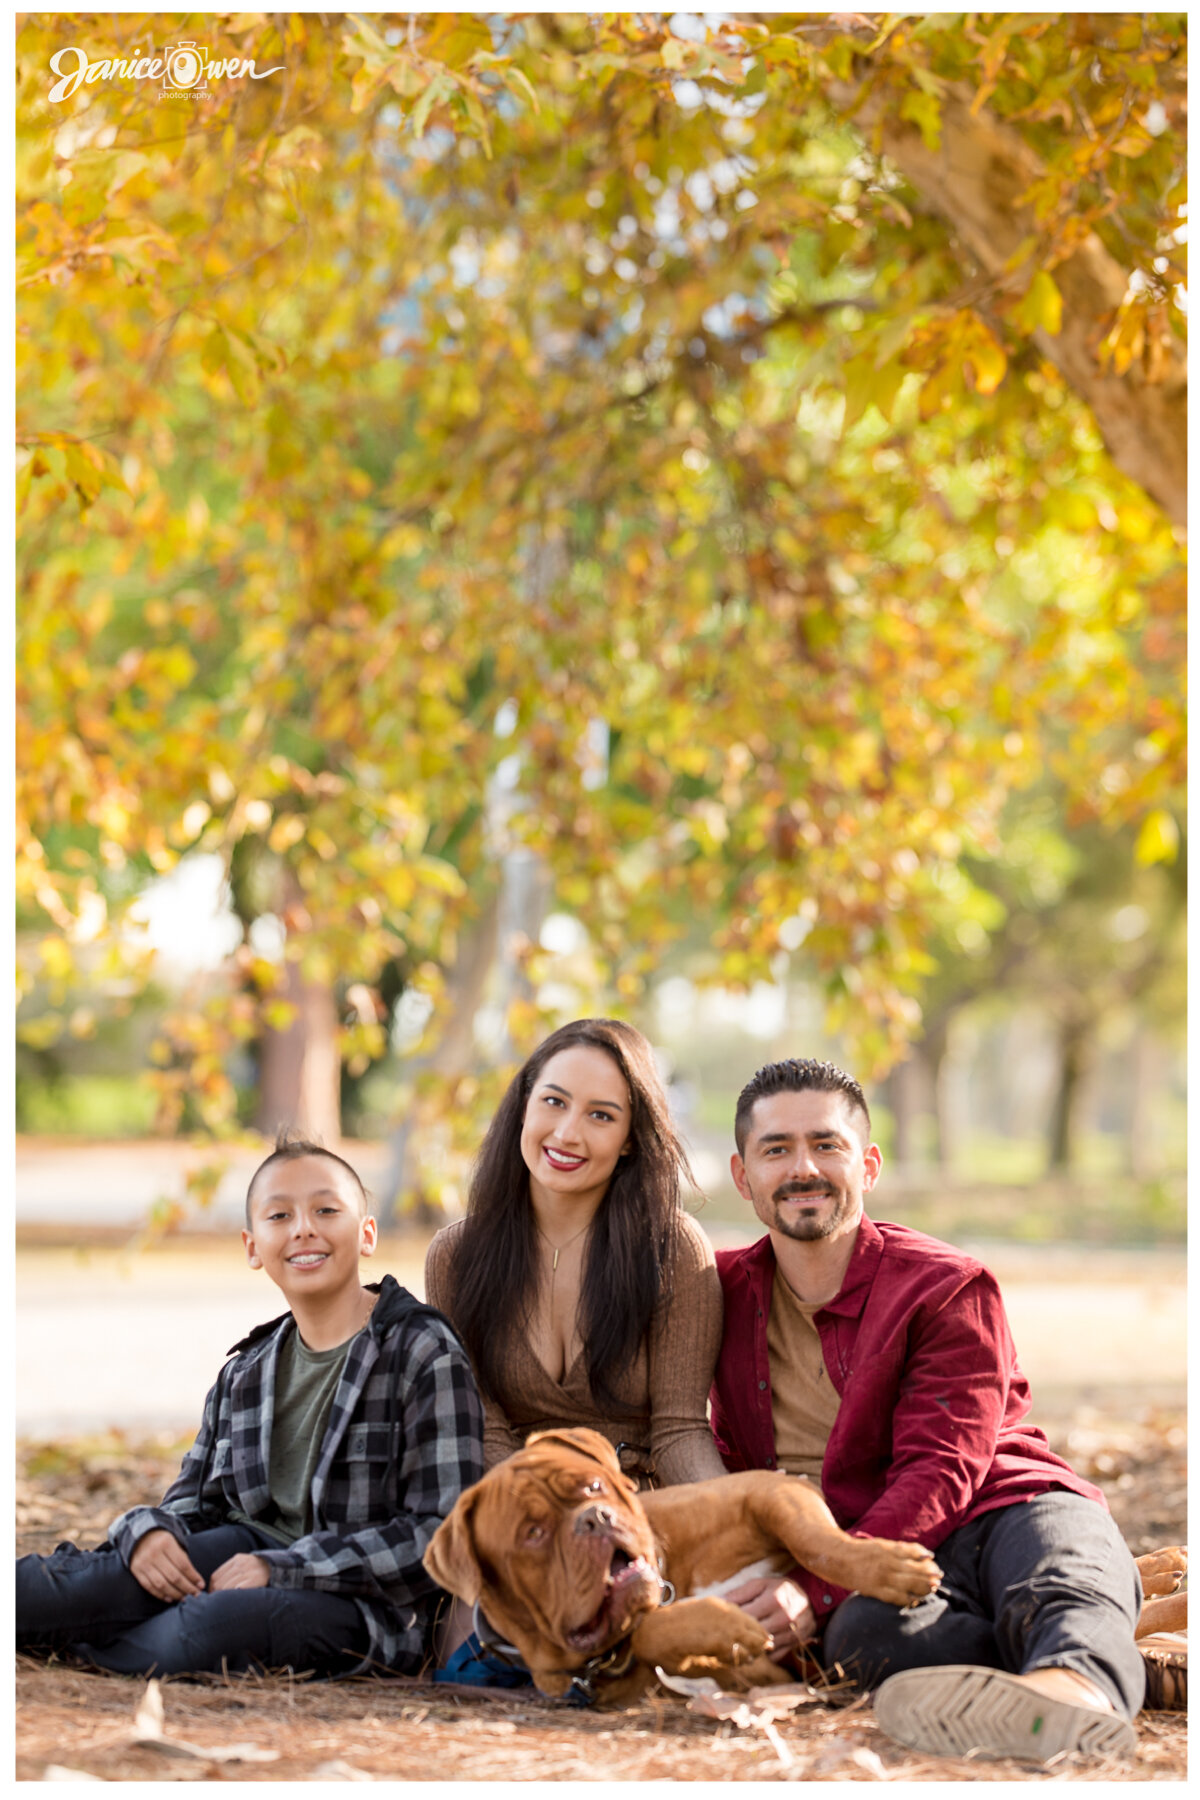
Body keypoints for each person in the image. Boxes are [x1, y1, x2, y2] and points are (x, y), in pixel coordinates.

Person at [709, 1057, 1145, 1765]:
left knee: (1058, 1579)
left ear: (869, 1165)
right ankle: (1061, 1670)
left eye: (827, 1145)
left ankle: (1075, 1693)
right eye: (777, 1149)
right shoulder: (719, 1293)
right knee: (863, 1642)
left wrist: (810, 1587)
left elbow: (943, 1471)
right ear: (742, 1175)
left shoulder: (945, 1287)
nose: (803, 1168)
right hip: (874, 1557)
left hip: (1000, 1506)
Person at [17, 1133, 483, 1680]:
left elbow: (442, 1535)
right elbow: (192, 1505)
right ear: (252, 1247)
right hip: (241, 1555)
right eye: (279, 1215)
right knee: (70, 1585)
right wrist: (146, 1534)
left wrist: (281, 1568)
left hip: (364, 1607)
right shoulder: (246, 1371)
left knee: (206, 1628)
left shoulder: (422, 1351)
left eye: (326, 1209)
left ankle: (77, 1644)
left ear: (367, 1233)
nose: (303, 1228)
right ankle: (75, 1622)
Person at [425, 1018, 727, 1489]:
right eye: (554, 1101)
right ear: (524, 1105)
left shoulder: (672, 1248)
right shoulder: (455, 1254)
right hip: (518, 1504)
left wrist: (726, 1517)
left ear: (630, 1137)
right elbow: (480, 1427)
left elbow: (679, 1431)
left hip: (639, 1508)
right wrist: (553, 1507)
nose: (567, 1133)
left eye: (601, 1115)